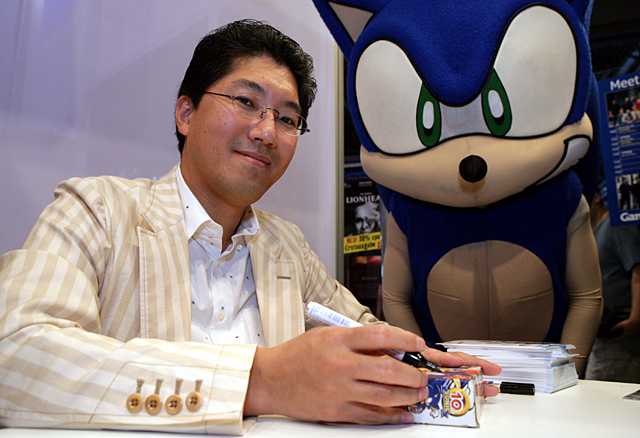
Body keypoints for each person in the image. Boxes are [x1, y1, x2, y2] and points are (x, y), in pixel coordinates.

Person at [0, 20, 500, 435]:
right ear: (186, 113)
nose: (266, 132)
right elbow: (17, 355)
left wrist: (424, 368)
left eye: (287, 119)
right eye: (245, 101)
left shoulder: (287, 246)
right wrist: (263, 380)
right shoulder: (97, 210)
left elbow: (360, 332)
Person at [585, 182, 640, 383]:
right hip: (601, 330)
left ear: (597, 197)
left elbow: (638, 270)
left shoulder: (616, 225)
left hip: (620, 331)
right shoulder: (589, 231)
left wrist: (635, 318)